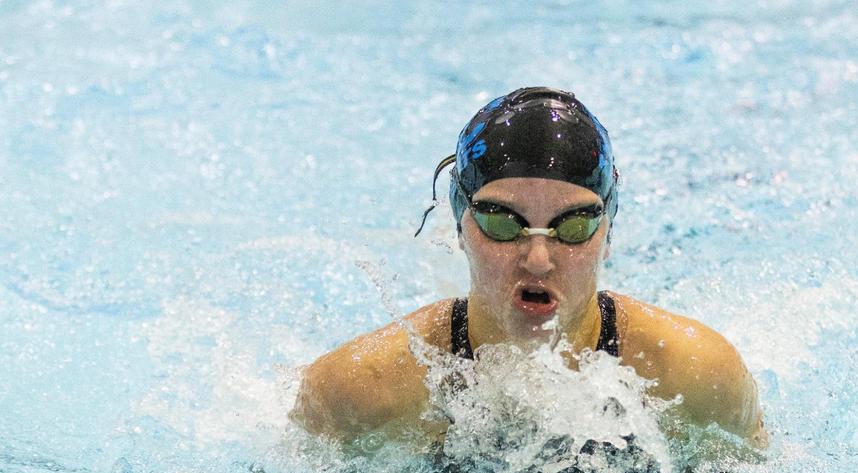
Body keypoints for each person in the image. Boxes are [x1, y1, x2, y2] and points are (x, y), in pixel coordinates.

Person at [291, 87, 766, 451]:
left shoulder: (697, 376)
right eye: (501, 223)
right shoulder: (360, 392)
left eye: (574, 225)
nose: (538, 260)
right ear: (460, 226)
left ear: (608, 232)